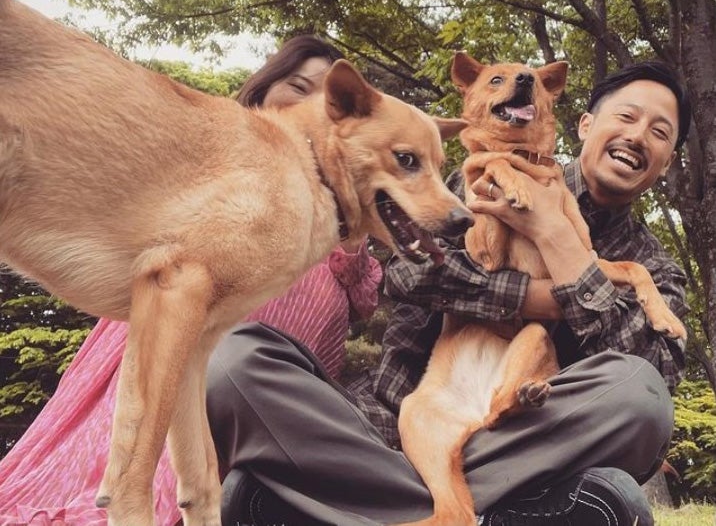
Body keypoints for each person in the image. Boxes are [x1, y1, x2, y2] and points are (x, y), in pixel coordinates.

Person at [210, 60, 691, 526]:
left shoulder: (654, 266)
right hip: (393, 415)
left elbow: (653, 374)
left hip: (524, 437)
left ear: (668, 160)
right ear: (586, 124)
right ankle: (474, 512)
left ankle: (396, 502)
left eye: (659, 132)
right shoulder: (475, 176)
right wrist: (535, 297)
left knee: (640, 397)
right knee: (233, 361)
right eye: (626, 116)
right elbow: (407, 273)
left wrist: (555, 236)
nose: (637, 135)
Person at [0, 35, 381, 526]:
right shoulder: (224, 149)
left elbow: (364, 298)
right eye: (298, 86)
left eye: (328, 98)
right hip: (177, 332)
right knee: (132, 460)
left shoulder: (342, 204)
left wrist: (351, 228)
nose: (312, 105)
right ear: (265, 90)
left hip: (271, 379)